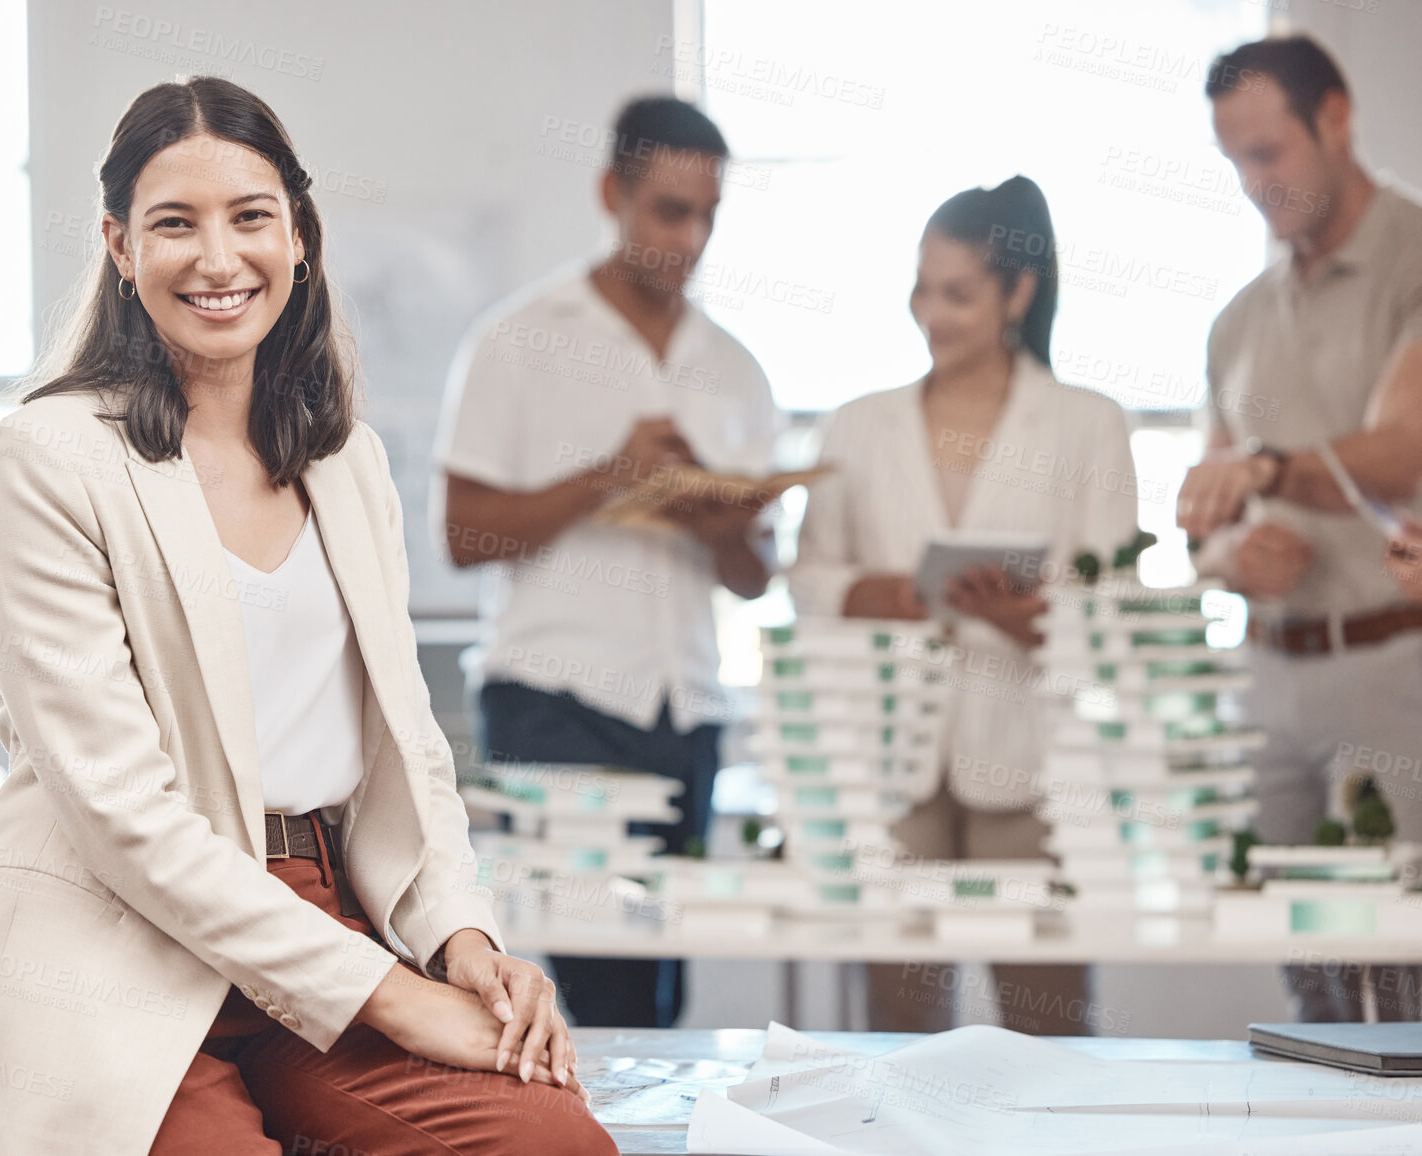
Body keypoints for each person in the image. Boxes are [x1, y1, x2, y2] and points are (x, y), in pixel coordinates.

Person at [0, 77, 615, 1156]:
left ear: (300, 238)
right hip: (114, 928)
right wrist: (397, 999)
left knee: (551, 1142)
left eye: (250, 217)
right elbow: (123, 813)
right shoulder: (43, 461)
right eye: (174, 223)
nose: (218, 260)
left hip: (324, 898)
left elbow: (406, 751)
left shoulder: (346, 462)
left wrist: (460, 938)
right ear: (120, 247)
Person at [433, 96, 781, 1028]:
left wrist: (712, 514)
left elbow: (754, 577)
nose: (691, 236)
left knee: (661, 987)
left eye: (707, 213)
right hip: (557, 701)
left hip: (686, 710)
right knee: (604, 987)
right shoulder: (516, 341)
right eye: (670, 209)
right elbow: (464, 536)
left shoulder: (736, 368)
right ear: (611, 194)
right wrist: (610, 478)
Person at [790, 176, 1139, 1035]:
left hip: (1033, 763)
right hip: (892, 761)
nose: (931, 313)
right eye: (921, 289)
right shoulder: (858, 425)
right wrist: (888, 594)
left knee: (1045, 1022)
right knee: (900, 1029)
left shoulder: (1086, 423)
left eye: (958, 293)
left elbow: (1116, 601)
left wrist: (1029, 615)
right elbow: (809, 578)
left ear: (1018, 292)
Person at [1177, 34, 1422, 1023]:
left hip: (1386, 670)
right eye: (1232, 159)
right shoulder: (1233, 324)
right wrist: (1233, 554)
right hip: (1268, 678)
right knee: (1300, 966)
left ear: (1334, 119)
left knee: (1396, 964)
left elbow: (1401, 452)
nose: (1251, 182)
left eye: (1267, 152)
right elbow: (1206, 515)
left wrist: (1269, 470)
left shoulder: (1414, 259)